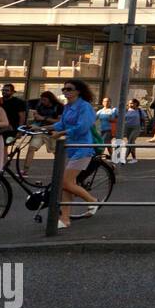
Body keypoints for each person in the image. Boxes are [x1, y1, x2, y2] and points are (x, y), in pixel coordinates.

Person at [49, 79, 100, 227]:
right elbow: (62, 124)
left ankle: (92, 201)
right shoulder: (67, 107)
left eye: (69, 89)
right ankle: (65, 218)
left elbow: (83, 127)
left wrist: (62, 133)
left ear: (78, 91)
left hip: (83, 147)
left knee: (65, 182)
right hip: (71, 147)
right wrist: (43, 126)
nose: (65, 92)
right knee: (67, 184)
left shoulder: (85, 107)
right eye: (64, 89)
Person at [23, 90, 63, 169]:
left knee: (56, 152)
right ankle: (25, 170)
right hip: (40, 130)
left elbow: (59, 122)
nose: (42, 102)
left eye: (45, 100)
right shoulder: (40, 105)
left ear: (50, 100)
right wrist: (34, 117)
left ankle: (60, 170)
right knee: (32, 148)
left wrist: (43, 118)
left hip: (53, 132)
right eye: (42, 100)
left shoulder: (59, 107)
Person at [121, 99, 145, 164]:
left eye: (132, 103)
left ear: (136, 104)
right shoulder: (126, 110)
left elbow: (143, 119)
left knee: (130, 141)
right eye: (129, 103)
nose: (130, 105)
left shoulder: (140, 111)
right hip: (127, 128)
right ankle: (134, 158)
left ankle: (124, 158)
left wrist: (143, 128)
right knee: (132, 143)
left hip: (136, 127)